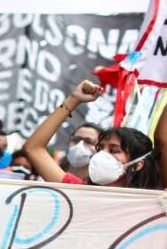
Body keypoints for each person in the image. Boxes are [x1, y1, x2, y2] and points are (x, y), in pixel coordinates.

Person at [23, 80, 159, 189]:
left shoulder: (157, 204)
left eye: (114, 150)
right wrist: (73, 99)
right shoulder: (80, 191)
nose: (101, 155)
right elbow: (33, 148)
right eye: (100, 149)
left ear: (137, 165)